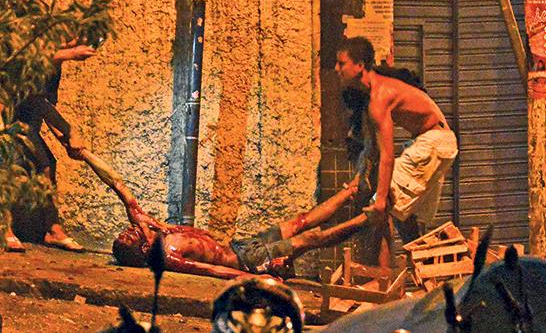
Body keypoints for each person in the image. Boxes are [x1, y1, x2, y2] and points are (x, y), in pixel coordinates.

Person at [80, 150, 374, 279]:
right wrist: (252, 279)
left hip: (241, 246)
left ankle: (351, 190)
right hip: (247, 261)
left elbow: (118, 185)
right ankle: (366, 218)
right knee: (309, 239)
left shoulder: (150, 227)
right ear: (143, 249)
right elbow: (211, 271)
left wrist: (84, 154)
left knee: (301, 221)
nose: (129, 229)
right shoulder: (167, 255)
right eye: (129, 236)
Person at [334, 36, 458, 267]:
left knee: (384, 199)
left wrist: (380, 199)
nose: (336, 69)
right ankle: (427, 270)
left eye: (341, 63)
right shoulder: (369, 96)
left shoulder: (379, 96)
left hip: (435, 142)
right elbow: (371, 149)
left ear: (359, 66)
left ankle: (382, 276)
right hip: (431, 143)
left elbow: (386, 155)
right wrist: (357, 180)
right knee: (403, 213)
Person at [5, 43, 96, 252]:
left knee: (47, 166)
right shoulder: (27, 49)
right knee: (8, 165)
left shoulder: (54, 68)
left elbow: (44, 104)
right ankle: (4, 228)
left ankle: (53, 230)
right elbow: (26, 87)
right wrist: (69, 131)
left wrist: (65, 139)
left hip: (26, 126)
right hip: (6, 122)